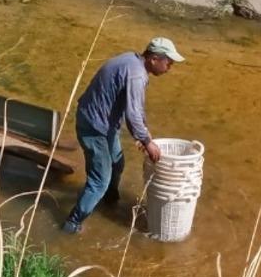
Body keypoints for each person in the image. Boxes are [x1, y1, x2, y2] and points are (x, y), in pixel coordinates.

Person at [62, 38, 186, 235]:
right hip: (94, 128)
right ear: (154, 59)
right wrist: (147, 141)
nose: (170, 67)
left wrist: (144, 132)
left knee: (117, 163)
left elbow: (135, 107)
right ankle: (72, 224)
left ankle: (109, 201)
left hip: (101, 123)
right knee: (99, 180)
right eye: (168, 63)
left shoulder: (132, 60)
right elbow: (133, 114)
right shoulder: (136, 74)